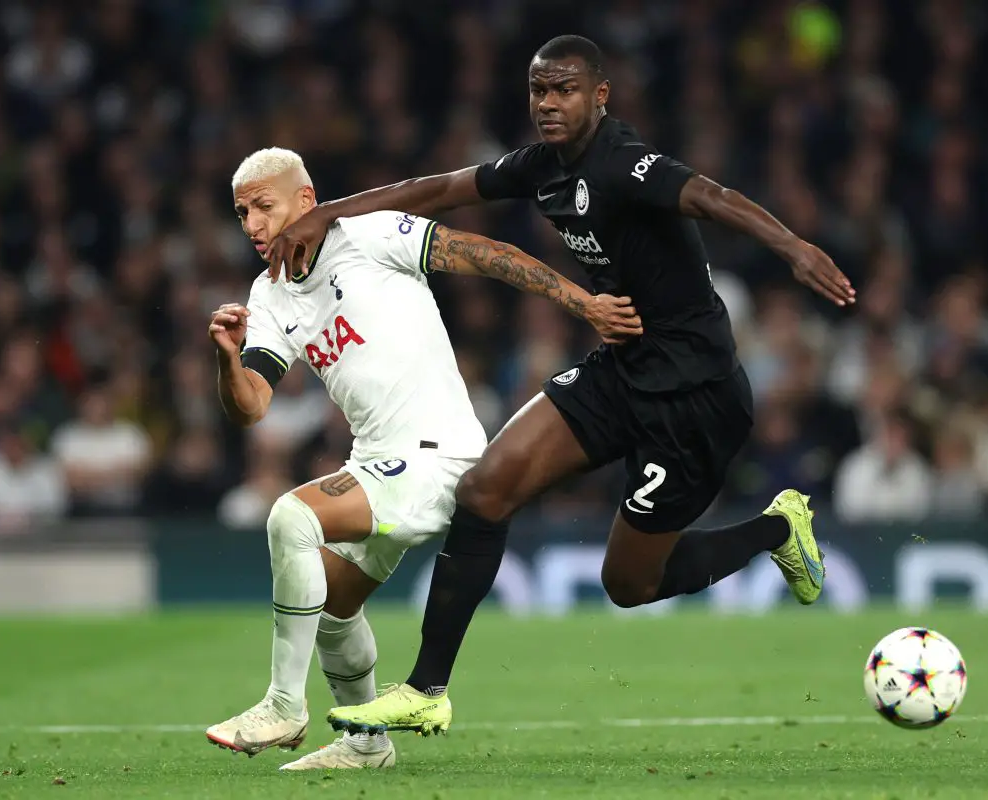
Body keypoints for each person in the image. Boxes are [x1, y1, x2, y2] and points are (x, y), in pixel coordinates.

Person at [267, 35, 855, 738]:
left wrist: (793, 247)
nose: (548, 104)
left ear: (600, 96)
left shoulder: (623, 162)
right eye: (539, 91)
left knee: (629, 585)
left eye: (565, 90)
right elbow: (441, 189)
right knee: (485, 489)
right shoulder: (542, 168)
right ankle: (427, 688)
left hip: (693, 397)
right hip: (622, 368)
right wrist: (330, 210)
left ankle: (774, 528)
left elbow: (709, 194)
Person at [204, 146, 642, 769]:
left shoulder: (366, 233)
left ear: (305, 202)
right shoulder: (268, 294)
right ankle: (366, 746)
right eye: (241, 212)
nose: (250, 224)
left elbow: (490, 256)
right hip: (377, 461)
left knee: (289, 518)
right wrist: (226, 355)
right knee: (330, 609)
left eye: (263, 207)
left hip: (439, 455)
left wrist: (585, 304)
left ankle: (283, 705)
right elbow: (250, 407)